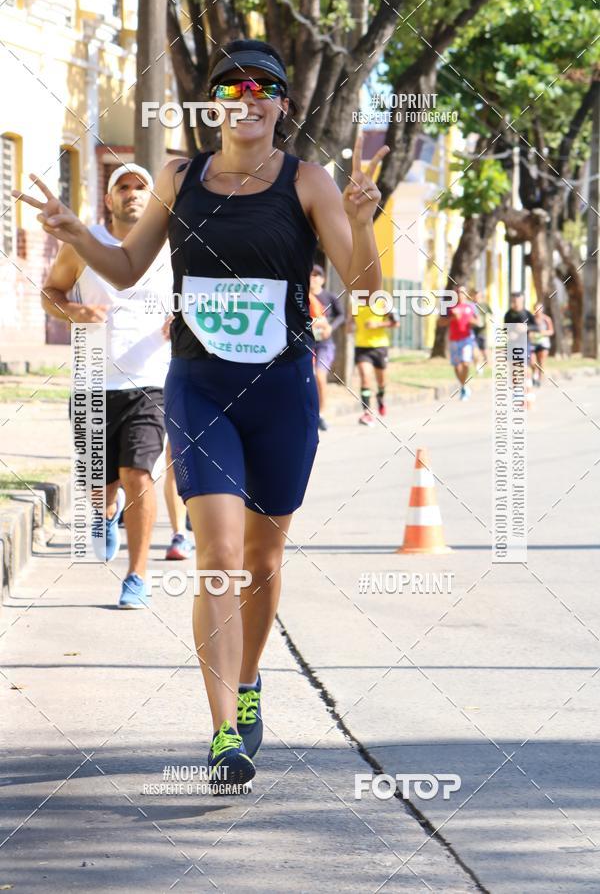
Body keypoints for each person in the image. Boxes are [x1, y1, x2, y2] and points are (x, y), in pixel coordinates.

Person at [15, 39, 388, 793]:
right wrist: (77, 233)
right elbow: (125, 267)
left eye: (264, 86)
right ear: (213, 102)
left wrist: (362, 221)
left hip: (281, 389)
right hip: (197, 385)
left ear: (283, 103)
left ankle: (249, 682)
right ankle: (224, 731)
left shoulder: (308, 181)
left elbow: (368, 289)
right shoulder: (180, 177)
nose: (247, 97)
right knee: (217, 558)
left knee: (264, 561)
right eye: (232, 86)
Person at [39, 163, 187, 607]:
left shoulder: (173, 247)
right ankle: (105, 515)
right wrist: (74, 312)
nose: (132, 194)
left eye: (141, 187)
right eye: (122, 187)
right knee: (99, 487)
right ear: (109, 198)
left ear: (153, 197)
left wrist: (181, 318)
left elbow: (195, 296)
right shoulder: (85, 243)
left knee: (139, 474)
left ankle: (137, 577)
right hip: (91, 383)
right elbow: (51, 292)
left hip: (150, 380)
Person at [351, 299, 398, 426]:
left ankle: (380, 396)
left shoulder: (382, 301)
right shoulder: (355, 302)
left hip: (380, 347)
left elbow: (396, 323)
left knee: (381, 382)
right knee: (365, 378)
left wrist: (378, 324)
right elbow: (350, 322)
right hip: (361, 347)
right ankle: (367, 413)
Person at [309, 264, 345, 430]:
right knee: (307, 378)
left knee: (320, 377)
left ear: (323, 279)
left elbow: (341, 315)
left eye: (317, 275)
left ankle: (321, 414)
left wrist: (329, 326)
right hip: (307, 344)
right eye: (311, 275)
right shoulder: (302, 295)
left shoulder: (329, 297)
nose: (313, 278)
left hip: (325, 345)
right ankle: (309, 412)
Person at [439, 285, 478, 400]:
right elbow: (440, 323)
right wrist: (452, 318)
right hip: (454, 339)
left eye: (463, 292)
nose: (460, 295)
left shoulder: (471, 307)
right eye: (458, 292)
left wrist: (472, 322)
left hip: (466, 339)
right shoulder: (449, 308)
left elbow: (478, 321)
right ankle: (463, 386)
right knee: (457, 367)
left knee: (466, 363)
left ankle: (463, 386)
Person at [503, 291, 538, 406]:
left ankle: (528, 393)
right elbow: (505, 329)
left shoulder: (527, 314)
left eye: (517, 300)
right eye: (513, 301)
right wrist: (509, 334)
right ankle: (517, 392)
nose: (515, 303)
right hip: (511, 345)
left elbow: (536, 326)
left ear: (522, 300)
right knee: (513, 370)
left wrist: (525, 327)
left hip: (524, 344)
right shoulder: (508, 314)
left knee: (523, 369)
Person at [530, 300, 554, 386]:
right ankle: (535, 374)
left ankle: (539, 380)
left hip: (543, 343)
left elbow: (551, 331)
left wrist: (543, 333)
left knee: (541, 362)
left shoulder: (547, 319)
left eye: (539, 309)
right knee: (532, 362)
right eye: (536, 309)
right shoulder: (531, 319)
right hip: (533, 343)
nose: (538, 311)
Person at [472, 289, 492, 370]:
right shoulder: (471, 305)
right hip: (473, 330)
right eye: (475, 296)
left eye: (478, 296)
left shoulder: (484, 305)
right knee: (475, 348)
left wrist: (489, 322)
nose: (476, 298)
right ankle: (478, 365)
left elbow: (491, 314)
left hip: (482, 330)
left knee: (484, 349)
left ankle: (489, 365)